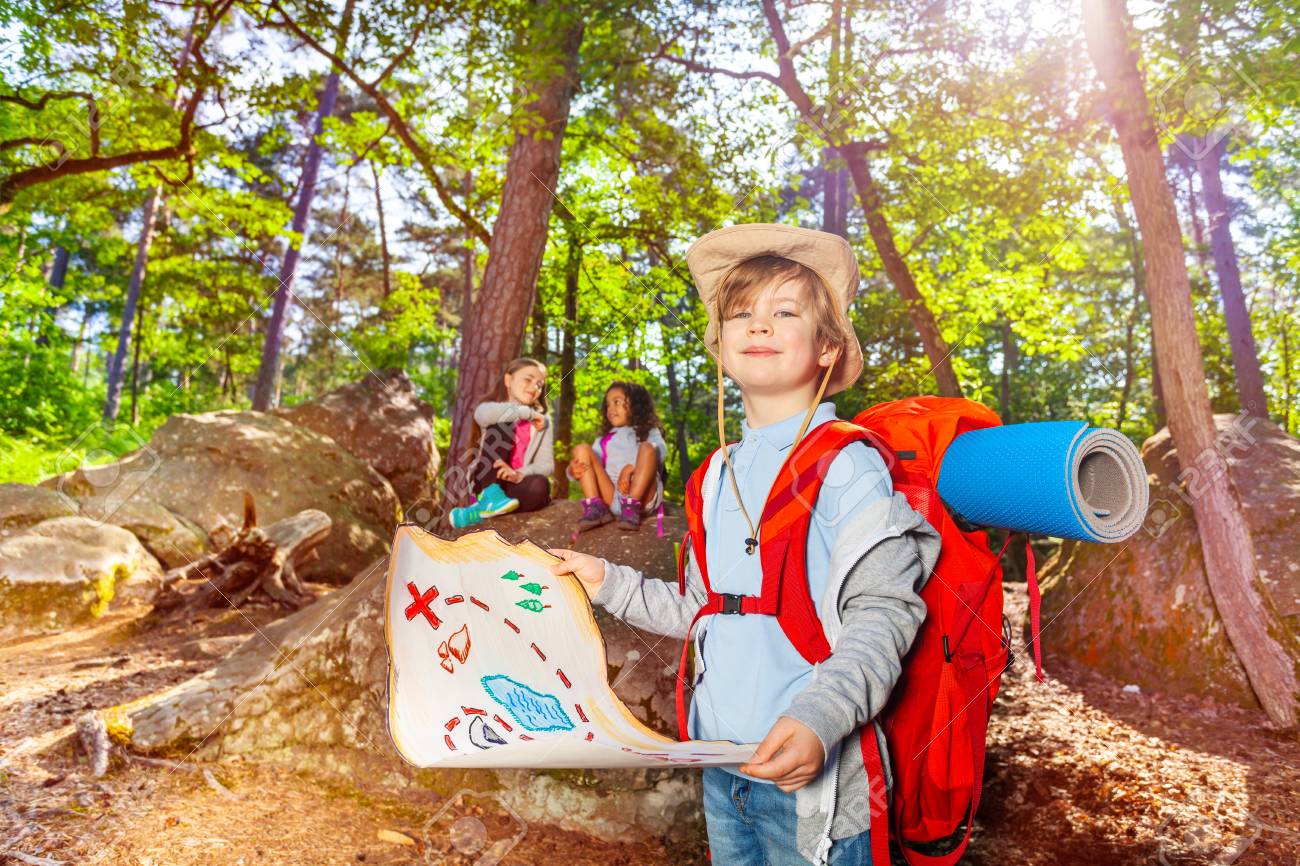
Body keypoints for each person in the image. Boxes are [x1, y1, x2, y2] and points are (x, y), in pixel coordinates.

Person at [548, 224, 941, 865]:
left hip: (812, 782)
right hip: (721, 763)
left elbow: (886, 613)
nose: (759, 325)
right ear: (722, 347)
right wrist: (606, 581)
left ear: (826, 349)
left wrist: (820, 718)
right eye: (741, 314)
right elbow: (706, 607)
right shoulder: (712, 477)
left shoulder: (848, 466)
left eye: (784, 313)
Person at [450, 358, 554, 529]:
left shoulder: (543, 422)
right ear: (508, 380)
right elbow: (481, 415)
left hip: (514, 484)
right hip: (487, 481)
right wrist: (526, 413)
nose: (534, 387)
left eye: (539, 384)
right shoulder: (493, 409)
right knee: (502, 424)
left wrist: (517, 473)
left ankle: (478, 513)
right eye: (528, 379)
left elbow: (547, 465)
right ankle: (489, 497)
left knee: (541, 485)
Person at [567, 381, 668, 533]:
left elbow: (661, 451)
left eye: (617, 402)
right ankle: (596, 506)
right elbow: (593, 462)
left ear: (636, 405)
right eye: (608, 404)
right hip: (611, 497)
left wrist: (631, 468)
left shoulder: (648, 431)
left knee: (649, 448)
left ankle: (631, 507)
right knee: (581, 449)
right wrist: (572, 471)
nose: (611, 409)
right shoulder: (605, 437)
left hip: (641, 497)